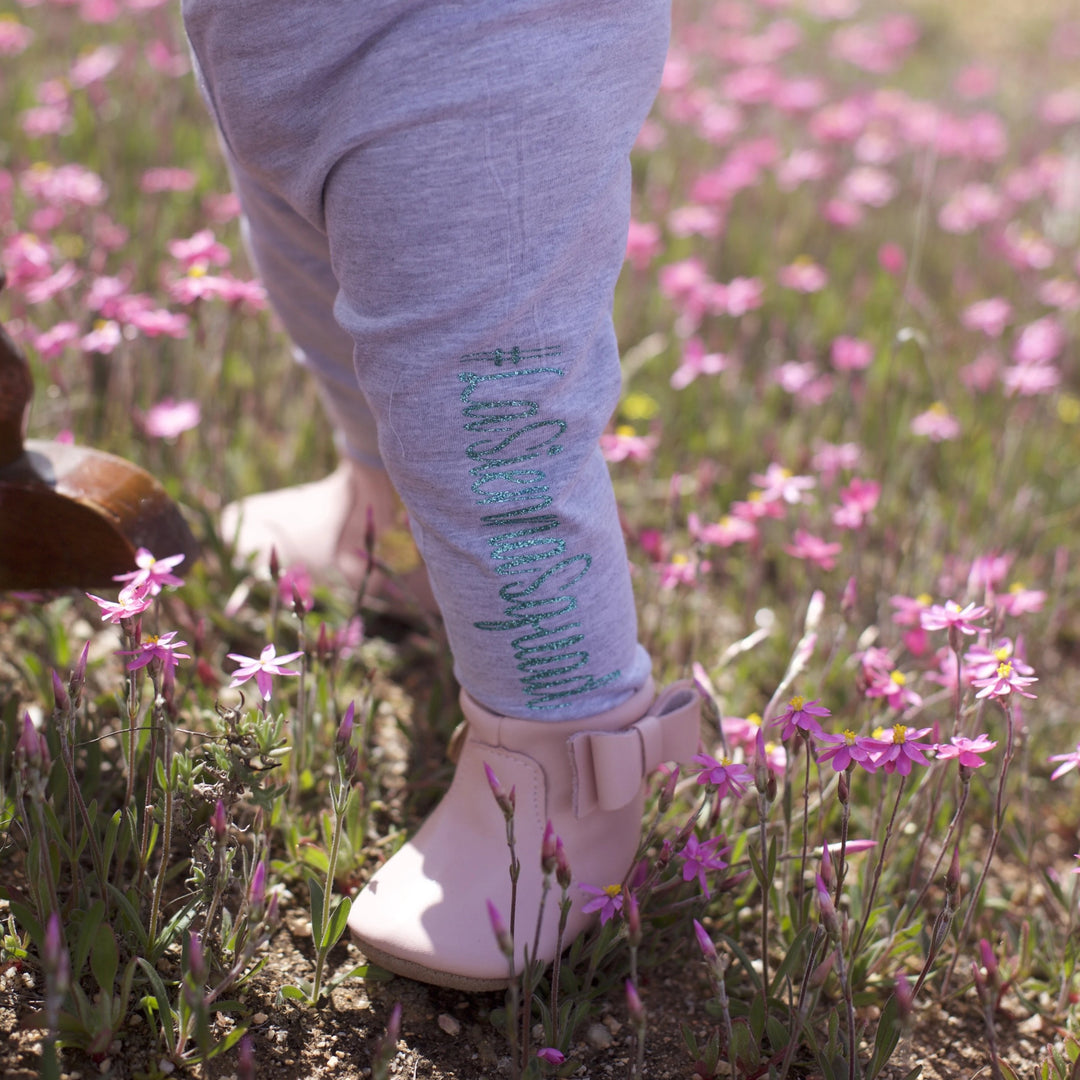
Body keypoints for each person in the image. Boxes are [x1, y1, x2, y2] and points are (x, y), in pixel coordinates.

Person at [181, 0, 702, 990]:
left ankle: (565, 753)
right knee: (331, 290)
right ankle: (385, 518)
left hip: (467, 34)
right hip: (271, 34)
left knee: (483, 405)